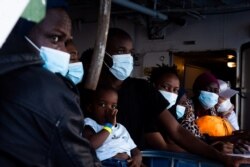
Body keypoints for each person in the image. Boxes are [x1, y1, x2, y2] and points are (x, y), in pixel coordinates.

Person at [80, 27, 250, 166]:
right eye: (120, 51)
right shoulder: (84, 90)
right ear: (103, 53)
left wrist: (220, 156)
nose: (127, 57)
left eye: (130, 52)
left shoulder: (141, 89)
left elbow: (177, 131)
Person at [0, 1, 100, 166]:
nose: (64, 52)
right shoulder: (49, 91)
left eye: (66, 42)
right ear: (19, 32)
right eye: (55, 38)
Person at [83, 85, 142, 167]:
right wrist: (109, 126)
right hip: (106, 163)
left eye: (113, 106)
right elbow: (90, 145)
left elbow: (134, 149)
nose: (109, 110)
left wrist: (137, 158)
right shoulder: (90, 124)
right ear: (90, 108)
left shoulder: (121, 128)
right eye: (102, 105)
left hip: (127, 163)